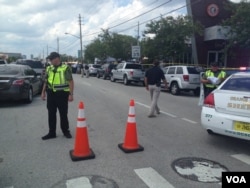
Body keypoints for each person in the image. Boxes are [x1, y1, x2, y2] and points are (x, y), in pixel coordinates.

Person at [41, 52, 74, 140]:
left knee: (63, 114)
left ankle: (65, 131)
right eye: (50, 59)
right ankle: (52, 132)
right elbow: (46, 81)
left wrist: (71, 94)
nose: (50, 61)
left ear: (57, 58)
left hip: (62, 94)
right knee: (51, 113)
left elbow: (70, 81)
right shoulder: (49, 68)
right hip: (51, 94)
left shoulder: (65, 68)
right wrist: (43, 92)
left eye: (52, 59)